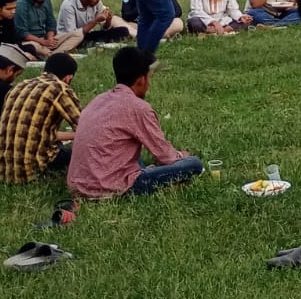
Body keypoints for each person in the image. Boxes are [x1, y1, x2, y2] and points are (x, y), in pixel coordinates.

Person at [67, 47, 203, 198]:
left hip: (77, 185)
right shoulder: (138, 107)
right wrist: (181, 156)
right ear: (141, 80)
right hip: (109, 187)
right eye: (148, 78)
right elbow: (165, 156)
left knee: (129, 149)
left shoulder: (98, 100)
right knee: (194, 164)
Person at [0, 53, 84, 183]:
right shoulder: (60, 89)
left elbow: (34, 132)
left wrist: (73, 135)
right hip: (33, 171)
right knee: (77, 153)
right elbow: (86, 127)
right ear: (68, 78)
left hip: (3, 172)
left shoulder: (18, 87)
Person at [13, 0, 84, 57]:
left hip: (45, 39)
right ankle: (56, 55)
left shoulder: (46, 1)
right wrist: (42, 42)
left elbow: (51, 24)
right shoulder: (21, 5)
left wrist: (50, 39)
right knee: (33, 46)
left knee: (78, 34)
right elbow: (22, 33)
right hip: (30, 41)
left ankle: (53, 55)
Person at [57, 0, 135, 46]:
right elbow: (73, 34)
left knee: (123, 31)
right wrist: (95, 21)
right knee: (80, 40)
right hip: (69, 38)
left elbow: (104, 28)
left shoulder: (96, 2)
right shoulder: (69, 6)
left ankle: (98, 43)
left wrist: (108, 20)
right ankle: (97, 43)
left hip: (89, 35)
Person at [119, 0, 185, 43]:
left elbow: (178, 11)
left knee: (178, 22)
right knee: (123, 24)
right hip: (139, 25)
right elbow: (125, 14)